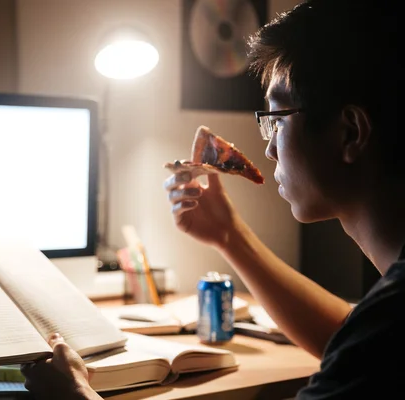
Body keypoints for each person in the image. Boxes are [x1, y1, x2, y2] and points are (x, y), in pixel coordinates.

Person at [21, 0, 405, 398]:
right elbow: (346, 336)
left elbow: (364, 346)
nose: (270, 149)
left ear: (350, 133)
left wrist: (74, 396)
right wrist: (228, 234)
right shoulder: (382, 327)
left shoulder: (390, 323)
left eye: (276, 118)